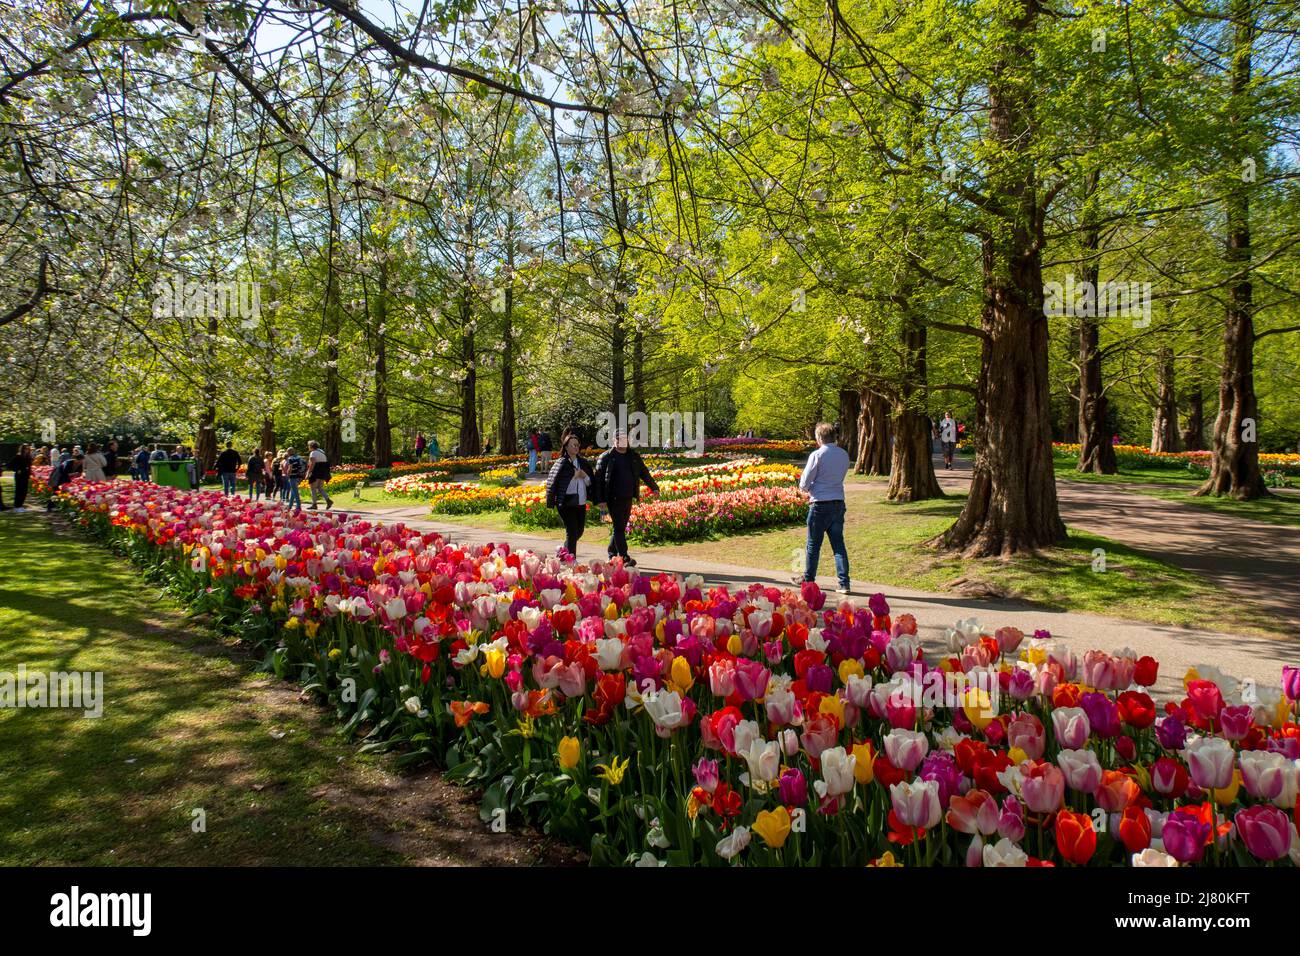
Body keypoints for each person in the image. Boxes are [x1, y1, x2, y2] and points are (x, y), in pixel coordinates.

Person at [592, 430, 659, 566]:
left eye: (624, 438)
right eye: (618, 438)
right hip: (613, 498)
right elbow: (598, 480)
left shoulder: (633, 456)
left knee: (620, 527)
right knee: (619, 527)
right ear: (613, 440)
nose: (621, 441)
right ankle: (624, 556)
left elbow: (644, 473)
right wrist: (600, 500)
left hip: (628, 497)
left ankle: (612, 554)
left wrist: (654, 487)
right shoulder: (606, 457)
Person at [799, 422, 852, 595]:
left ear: (819, 438)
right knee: (838, 545)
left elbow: (805, 481)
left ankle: (809, 580)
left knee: (813, 545)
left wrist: (807, 489)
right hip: (838, 501)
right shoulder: (843, 454)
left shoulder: (818, 454)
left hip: (820, 503)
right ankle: (844, 583)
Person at [546, 432, 594, 559]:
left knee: (579, 531)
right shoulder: (561, 463)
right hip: (565, 502)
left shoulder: (583, 463)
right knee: (572, 532)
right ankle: (571, 560)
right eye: (573, 445)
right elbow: (552, 483)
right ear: (566, 446)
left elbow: (591, 482)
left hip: (580, 502)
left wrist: (584, 475)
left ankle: (563, 552)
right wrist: (574, 476)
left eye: (577, 445)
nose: (576, 447)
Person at [306, 440, 333, 510]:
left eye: (309, 446)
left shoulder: (313, 453)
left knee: (313, 488)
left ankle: (314, 504)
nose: (308, 447)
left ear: (311, 446)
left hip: (316, 472)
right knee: (320, 488)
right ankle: (328, 500)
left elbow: (312, 464)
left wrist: (308, 473)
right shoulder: (321, 452)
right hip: (323, 472)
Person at [8, 444, 32, 510]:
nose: (27, 450)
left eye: (28, 449)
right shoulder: (18, 456)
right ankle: (17, 506)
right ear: (22, 449)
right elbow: (10, 465)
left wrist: (30, 473)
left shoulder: (28, 457)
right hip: (19, 476)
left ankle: (20, 505)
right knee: (19, 490)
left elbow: (29, 466)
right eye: (25, 449)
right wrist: (17, 469)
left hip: (26, 475)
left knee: (24, 491)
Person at [283, 447, 306, 512]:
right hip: (299, 476)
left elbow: (290, 467)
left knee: (295, 491)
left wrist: (287, 474)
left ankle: (298, 506)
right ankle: (290, 505)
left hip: (293, 476)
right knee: (293, 491)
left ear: (289, 452)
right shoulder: (299, 457)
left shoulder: (290, 458)